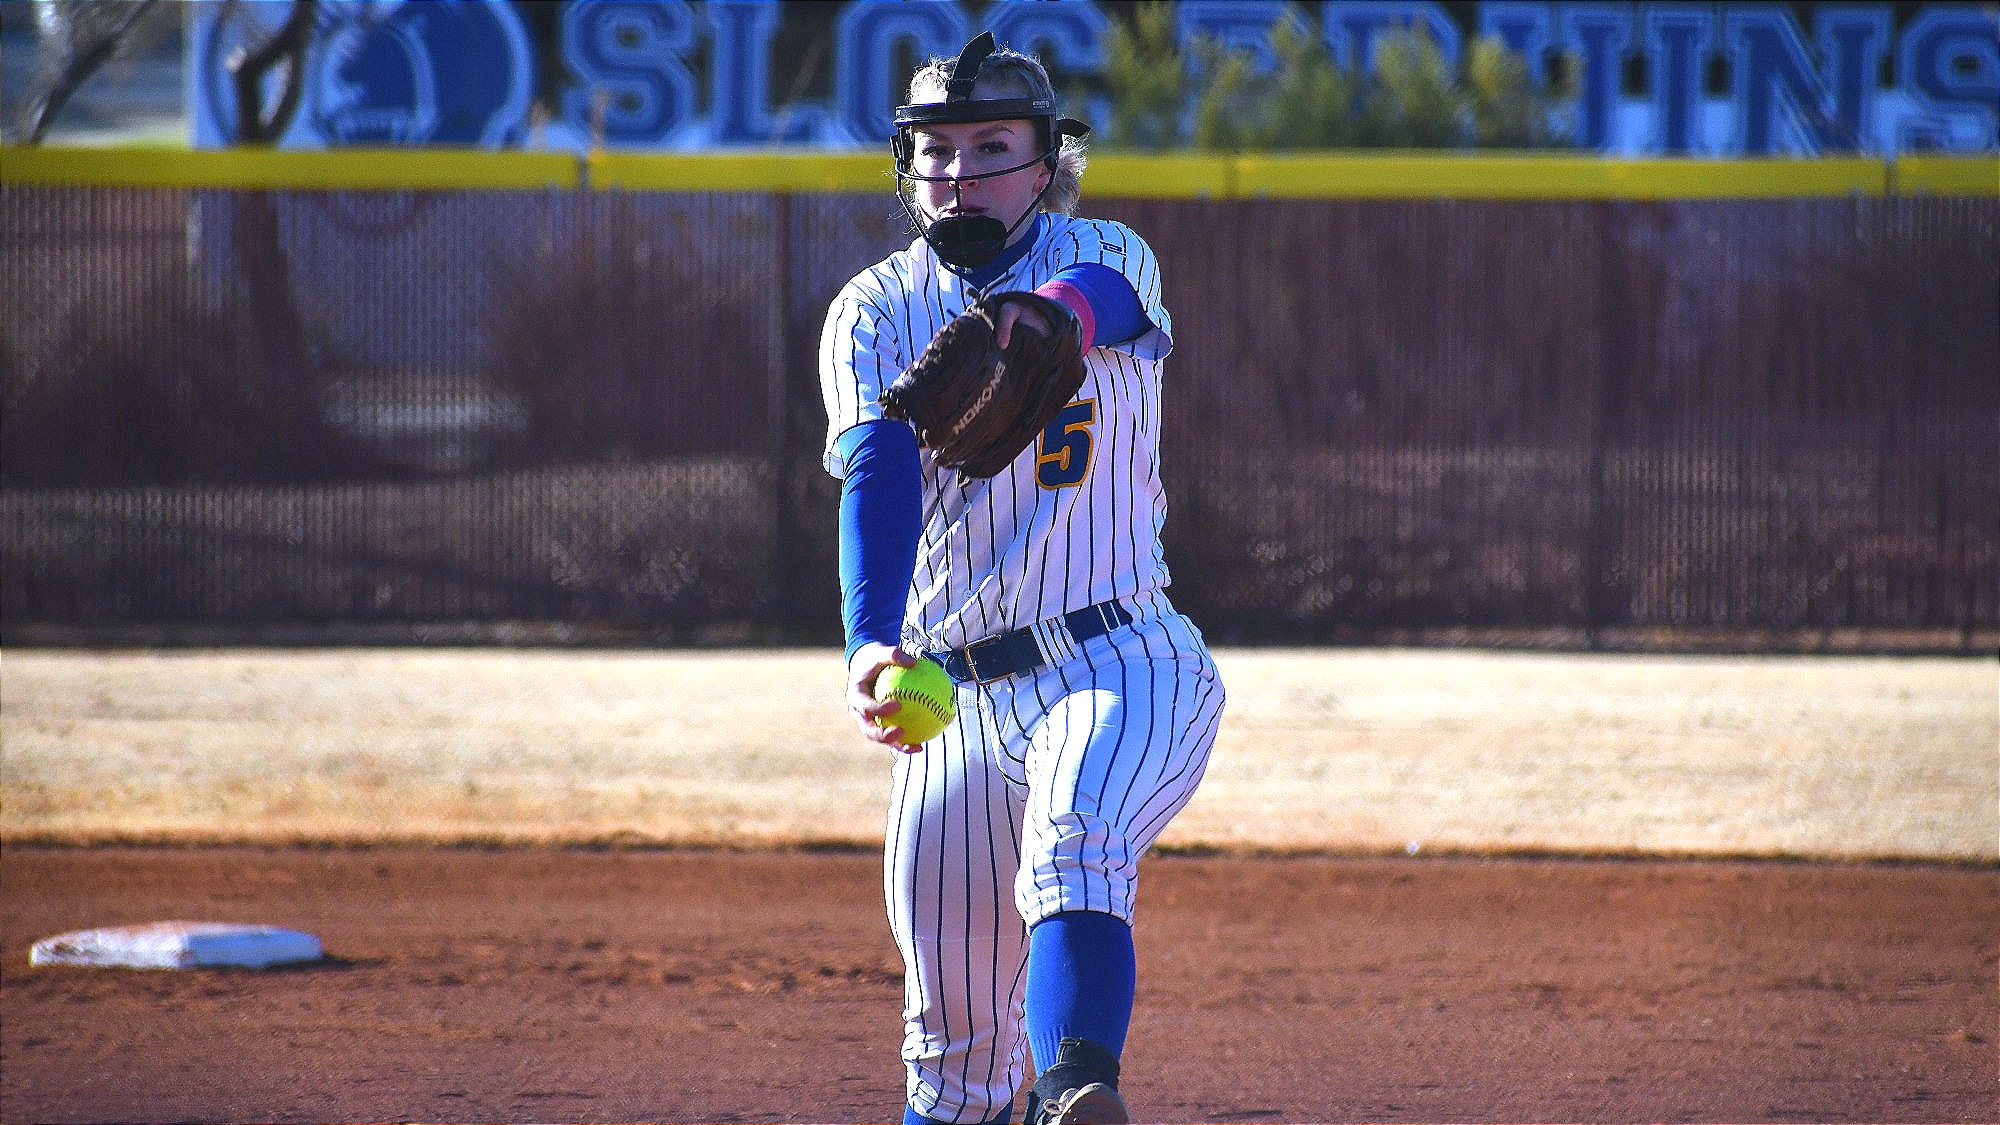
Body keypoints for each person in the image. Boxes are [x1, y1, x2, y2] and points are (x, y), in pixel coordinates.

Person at [817, 31, 1226, 1125]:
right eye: (936, 150)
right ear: (905, 168)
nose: (959, 172)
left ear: (1044, 161)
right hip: (952, 696)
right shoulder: (869, 310)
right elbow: (876, 468)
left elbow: (1101, 297)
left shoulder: (1109, 249)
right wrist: (868, 640)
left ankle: (1070, 1093)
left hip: (1121, 655)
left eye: (991, 146)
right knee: (948, 1061)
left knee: (1073, 834)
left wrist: (1049, 317)